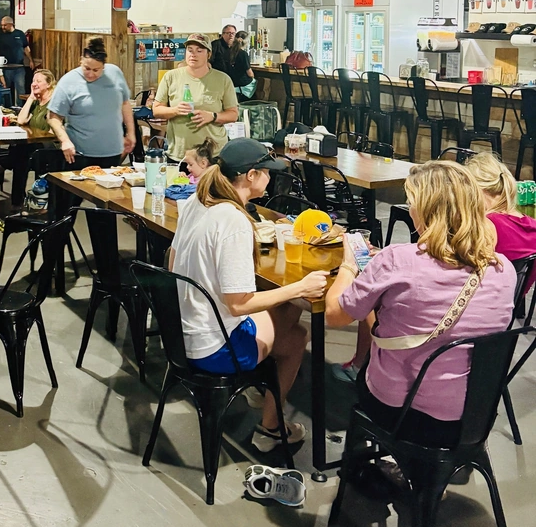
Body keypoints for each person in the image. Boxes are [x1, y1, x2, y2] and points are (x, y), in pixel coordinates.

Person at [326, 160, 517, 446]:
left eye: (411, 202)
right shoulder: (504, 268)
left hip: (401, 413)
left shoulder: (395, 259)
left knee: (375, 327)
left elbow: (335, 316)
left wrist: (348, 266)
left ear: (424, 209)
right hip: (470, 417)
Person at [170, 138, 327, 453]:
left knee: (284, 311)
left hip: (181, 331)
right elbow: (239, 304)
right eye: (267, 171)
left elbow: (172, 260)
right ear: (252, 175)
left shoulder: (198, 202)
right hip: (212, 348)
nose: (271, 178)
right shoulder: (234, 221)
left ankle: (261, 384)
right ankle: (271, 428)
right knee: (297, 335)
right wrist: (300, 288)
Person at [48, 37, 136, 167]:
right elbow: (53, 117)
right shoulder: (68, 82)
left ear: (104, 66)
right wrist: (65, 141)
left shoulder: (115, 73)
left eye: (96, 70)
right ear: (81, 61)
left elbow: (125, 103)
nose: (90, 74)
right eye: (87, 68)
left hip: (113, 151)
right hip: (79, 153)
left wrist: (131, 133)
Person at [151, 33, 240, 160]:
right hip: (179, 154)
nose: (193, 54)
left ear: (208, 55)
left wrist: (213, 116)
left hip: (212, 155)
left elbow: (233, 114)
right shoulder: (171, 77)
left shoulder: (223, 80)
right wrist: (175, 110)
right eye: (190, 50)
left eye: (199, 50)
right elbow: (157, 109)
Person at [467, 151, 536, 293]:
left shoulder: (488, 225)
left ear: (477, 190)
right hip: (510, 303)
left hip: (480, 303)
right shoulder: (531, 226)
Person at [0, 16, 31, 104]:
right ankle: (7, 107)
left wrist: (31, 60)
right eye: (2, 25)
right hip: (5, 67)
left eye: (5, 25)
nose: (3, 27)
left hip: (19, 66)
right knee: (6, 88)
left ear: (11, 24)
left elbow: (26, 48)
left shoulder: (20, 34)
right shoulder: (0, 36)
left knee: (21, 89)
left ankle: (20, 108)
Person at [16, 69, 57, 136]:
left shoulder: (55, 103)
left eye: (38, 81)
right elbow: (21, 120)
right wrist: (31, 98)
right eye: (33, 81)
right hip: (34, 141)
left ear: (49, 84)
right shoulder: (36, 102)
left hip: (47, 143)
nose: (34, 84)